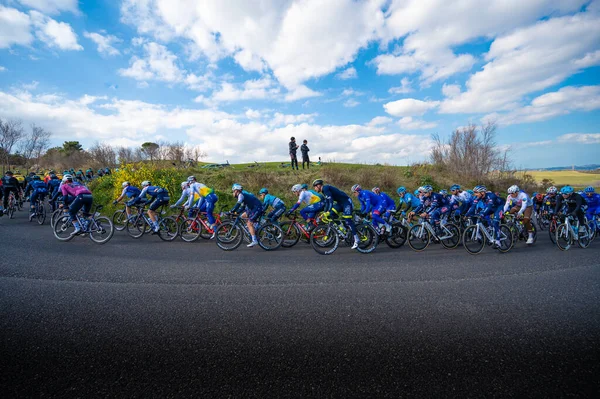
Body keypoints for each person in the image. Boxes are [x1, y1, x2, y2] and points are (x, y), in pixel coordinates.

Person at [312, 179, 360, 249]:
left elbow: (331, 202)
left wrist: (327, 212)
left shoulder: (325, 188)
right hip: (340, 203)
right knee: (331, 215)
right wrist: (325, 212)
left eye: (315, 187)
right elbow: (327, 203)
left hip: (346, 202)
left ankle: (356, 239)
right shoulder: (324, 191)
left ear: (319, 185)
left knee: (348, 220)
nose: (315, 189)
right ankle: (343, 229)